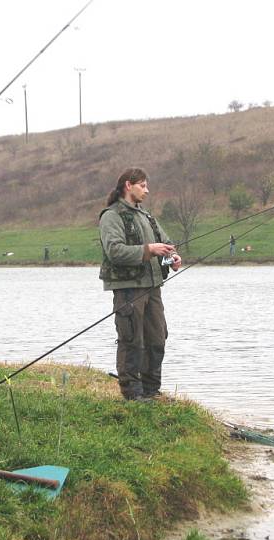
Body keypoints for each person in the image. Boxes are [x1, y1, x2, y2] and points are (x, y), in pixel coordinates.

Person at [98, 168, 181, 401]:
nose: (147, 190)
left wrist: (171, 259)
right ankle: (132, 394)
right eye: (142, 185)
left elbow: (166, 244)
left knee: (157, 338)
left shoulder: (145, 216)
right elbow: (115, 251)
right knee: (132, 339)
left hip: (153, 287)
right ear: (128, 185)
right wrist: (149, 249)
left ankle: (151, 391)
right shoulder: (112, 216)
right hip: (128, 288)